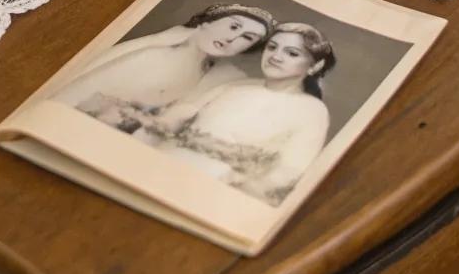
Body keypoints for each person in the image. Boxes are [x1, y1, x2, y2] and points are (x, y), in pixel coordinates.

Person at [142, 22, 335, 204]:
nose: (275, 56)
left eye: (292, 53)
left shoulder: (312, 110)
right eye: (272, 47)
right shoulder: (235, 86)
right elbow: (176, 117)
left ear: (314, 66)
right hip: (165, 167)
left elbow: (289, 171)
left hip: (213, 193)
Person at [54, 4, 273, 127]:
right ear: (207, 21)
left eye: (247, 38)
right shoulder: (154, 52)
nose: (232, 39)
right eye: (234, 26)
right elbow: (76, 93)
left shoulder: (202, 70)